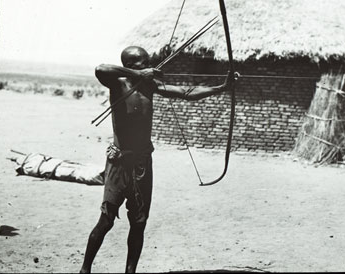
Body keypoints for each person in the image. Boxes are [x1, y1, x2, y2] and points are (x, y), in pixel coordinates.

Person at [80, 46, 233, 273]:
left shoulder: (150, 86)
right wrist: (138, 75)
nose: (150, 65)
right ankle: (85, 270)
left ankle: (130, 272)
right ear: (131, 65)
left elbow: (187, 91)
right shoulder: (118, 82)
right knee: (106, 221)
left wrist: (222, 87)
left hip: (142, 163)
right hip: (119, 163)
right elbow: (100, 68)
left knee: (139, 223)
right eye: (143, 62)